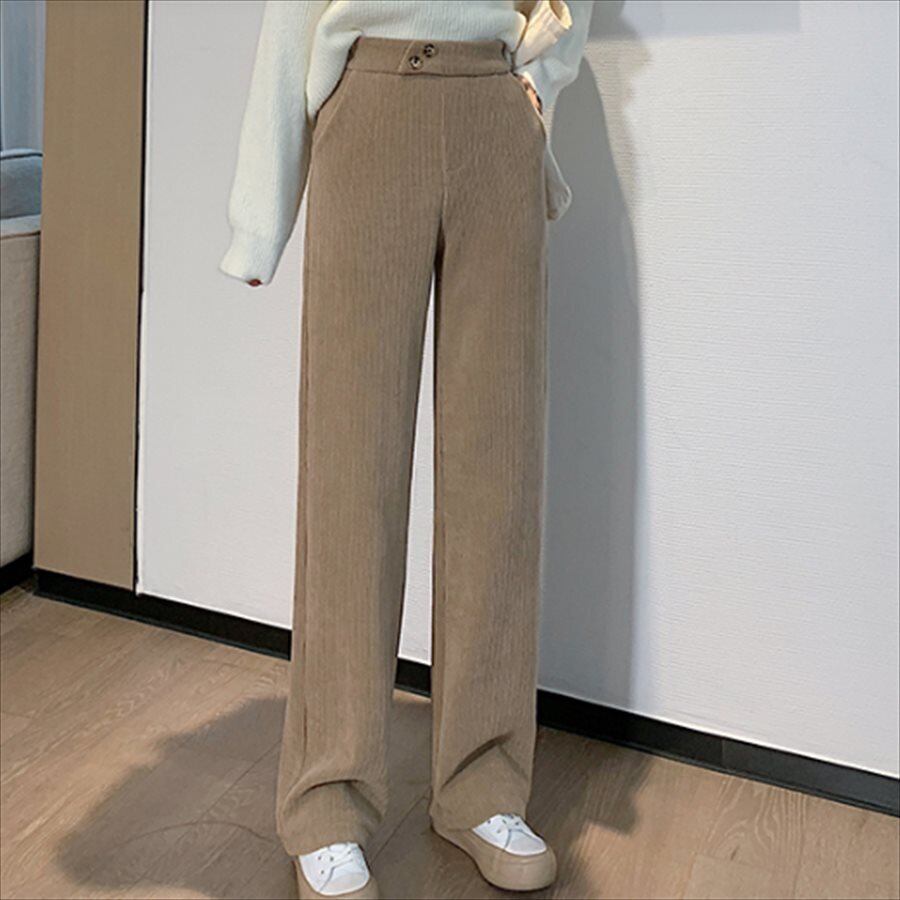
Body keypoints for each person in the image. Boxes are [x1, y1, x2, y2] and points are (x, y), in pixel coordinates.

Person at [220, 2, 592, 897]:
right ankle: (327, 801)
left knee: (499, 471)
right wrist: (260, 216)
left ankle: (482, 785)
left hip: (494, 108)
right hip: (372, 102)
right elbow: (293, 17)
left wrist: (536, 81)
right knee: (351, 475)